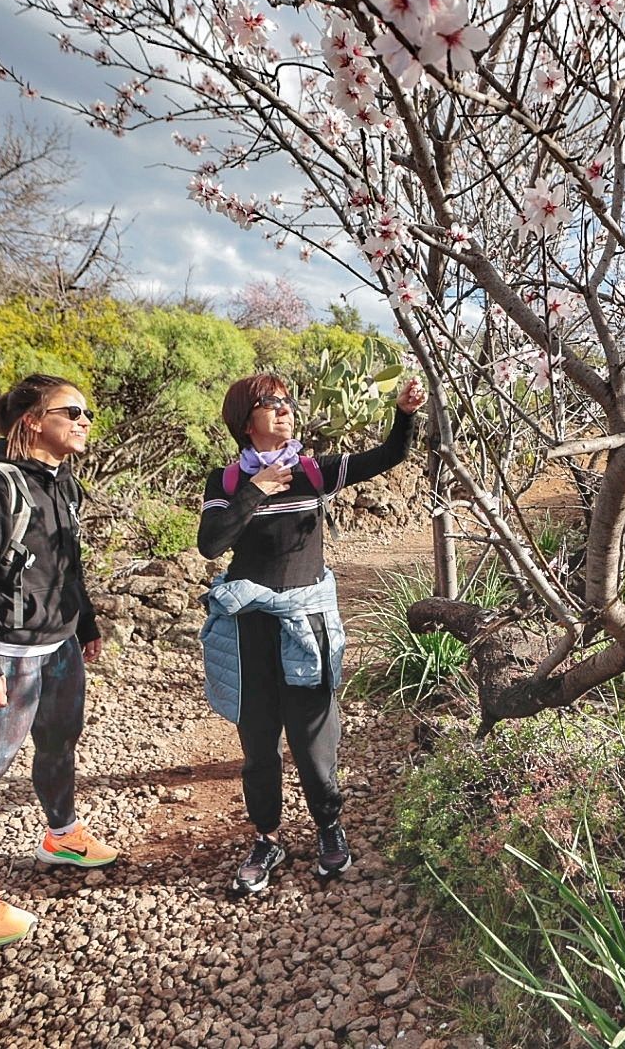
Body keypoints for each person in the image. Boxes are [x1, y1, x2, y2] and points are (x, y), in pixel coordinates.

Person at [198, 371, 425, 896]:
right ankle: (267, 837)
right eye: (269, 403)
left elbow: (387, 455)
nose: (284, 408)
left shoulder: (312, 472)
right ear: (244, 421)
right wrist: (254, 492)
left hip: (306, 625)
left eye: (287, 401)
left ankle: (328, 826)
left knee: (312, 735)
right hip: (250, 627)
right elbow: (213, 543)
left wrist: (405, 415)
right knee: (257, 743)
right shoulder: (228, 482)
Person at [0, 373, 117, 946]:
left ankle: (61, 835)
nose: (85, 421)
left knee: (60, 744)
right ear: (34, 420)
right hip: (5, 654)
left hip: (58, 647)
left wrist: (83, 623)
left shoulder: (61, 482)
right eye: (72, 412)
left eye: (87, 412)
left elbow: (68, 563)